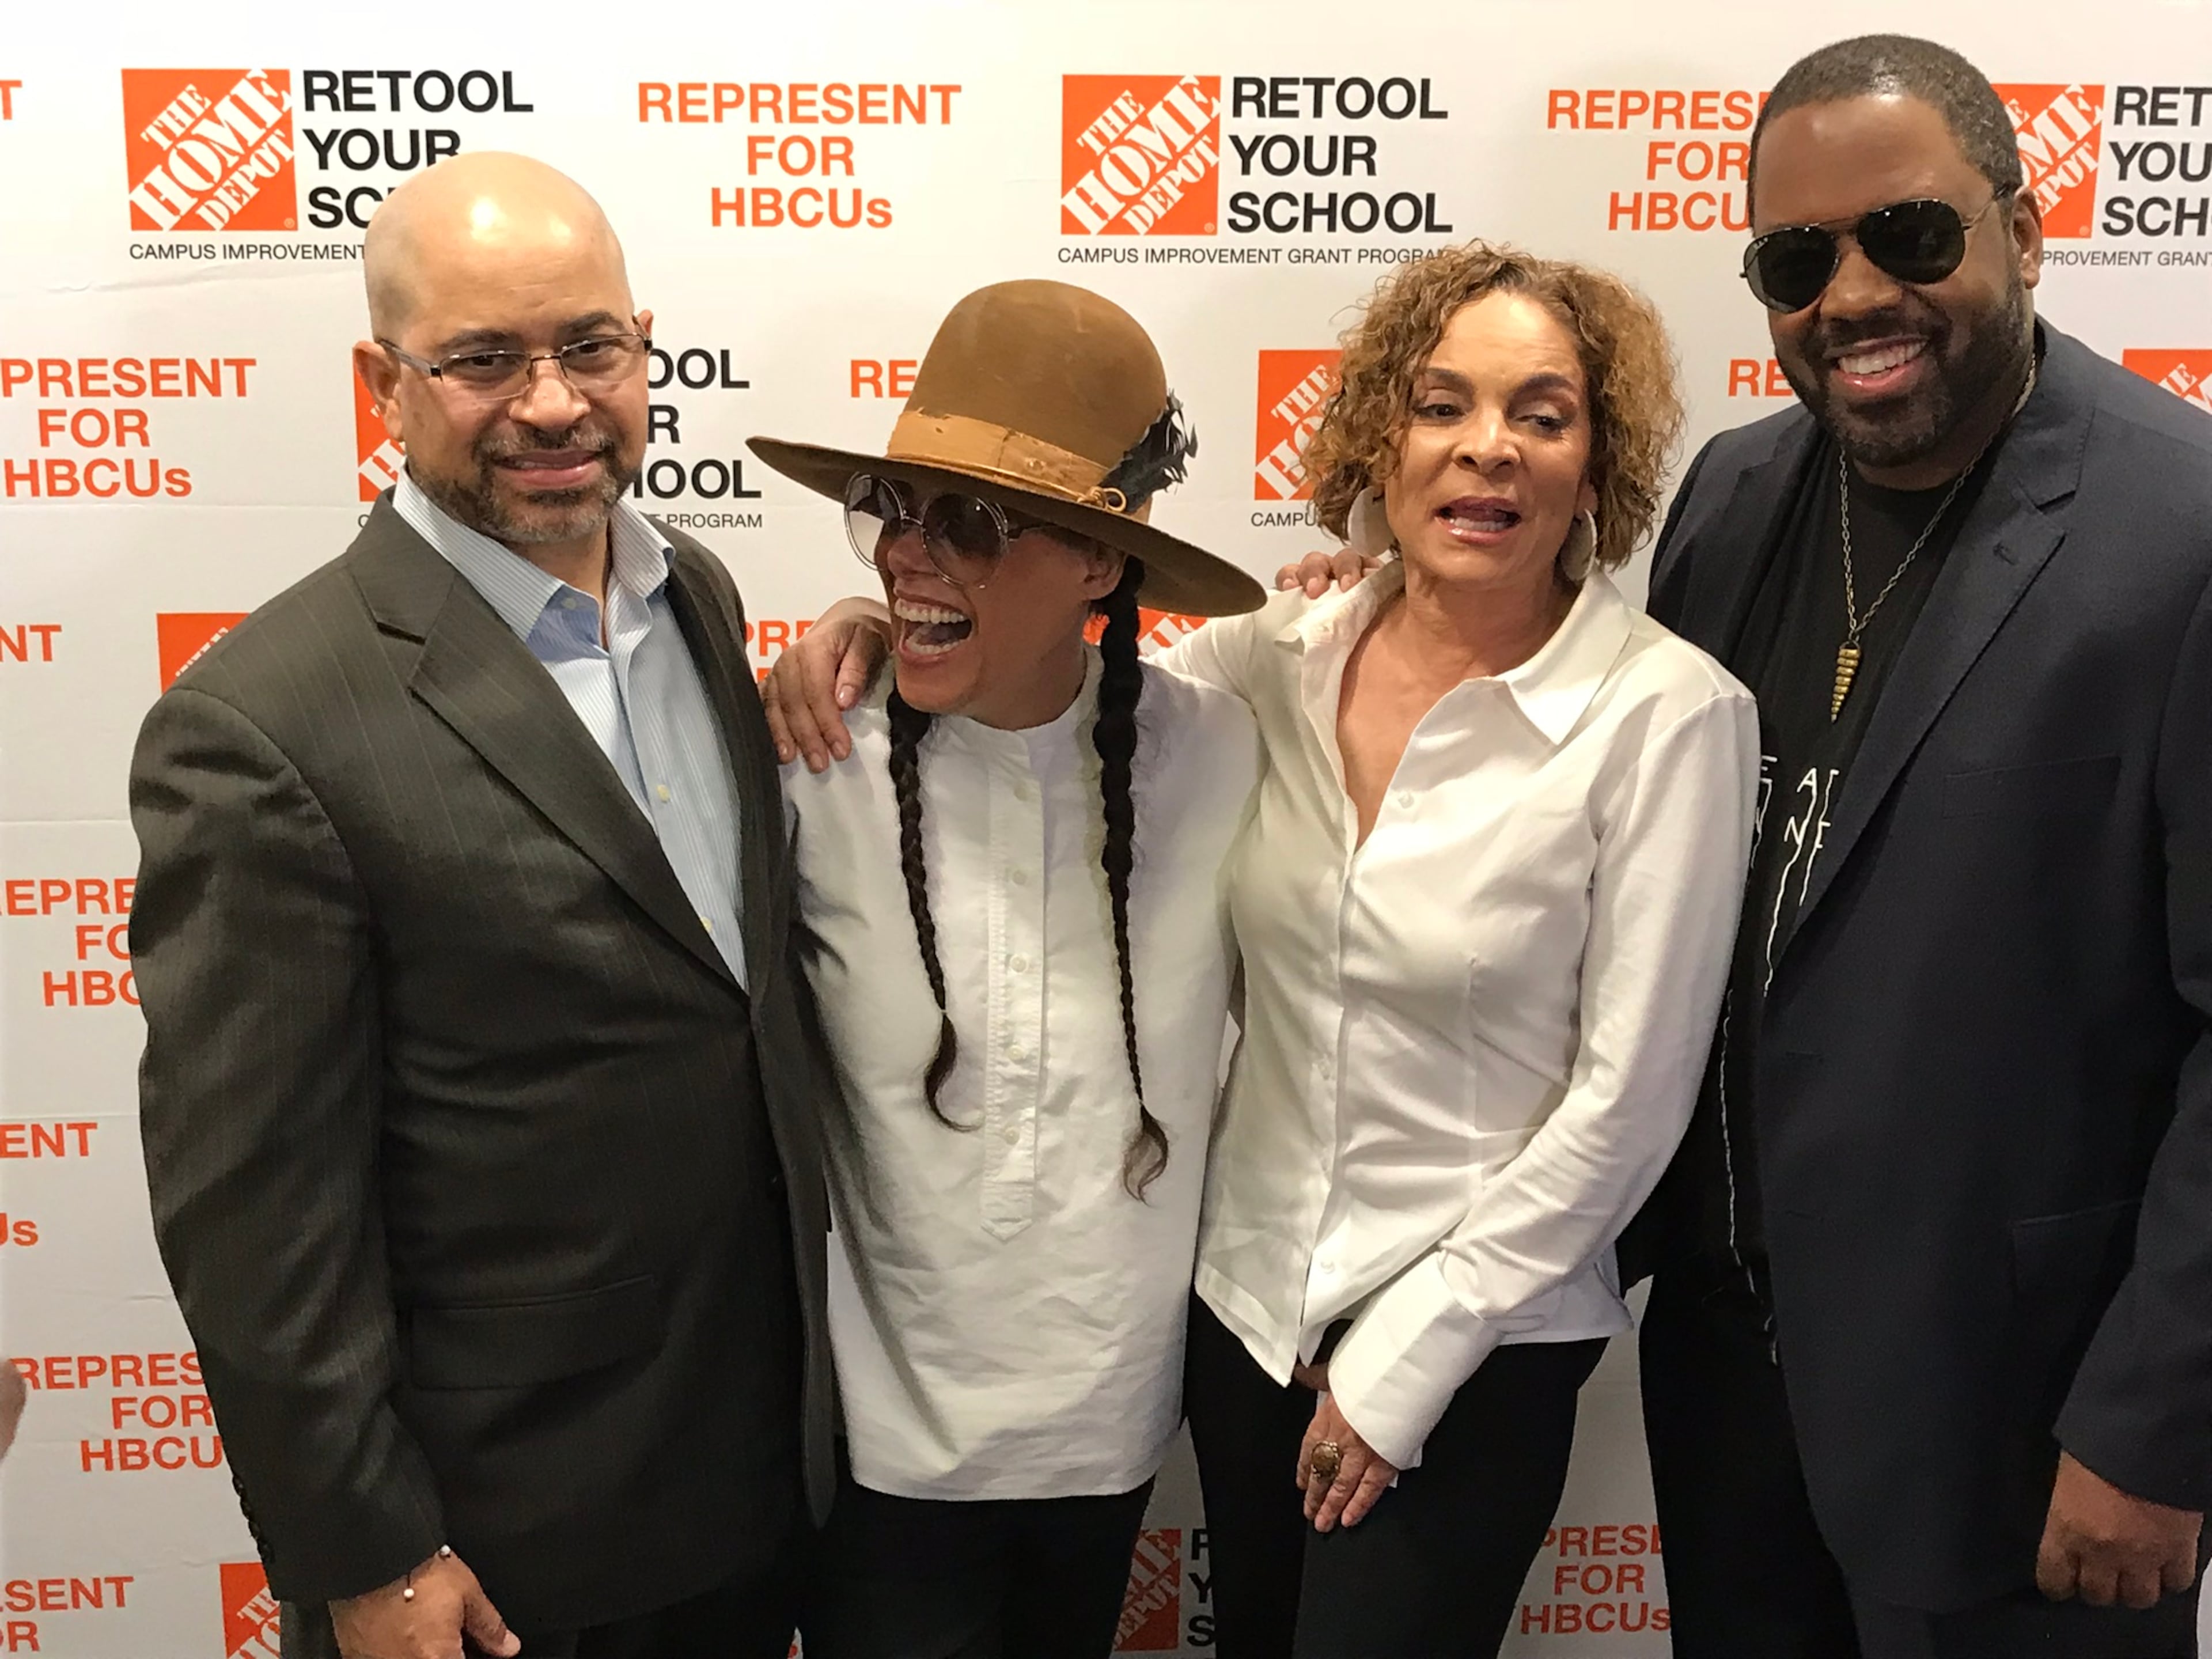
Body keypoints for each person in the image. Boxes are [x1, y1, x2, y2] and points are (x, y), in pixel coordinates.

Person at [1283, 35, 2212, 1659]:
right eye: (1797, 260)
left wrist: (2156, 1422)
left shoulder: (2181, 528)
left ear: (2026, 228)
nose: (1853, 293)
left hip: (2026, 1423)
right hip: (1729, 1399)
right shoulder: (1735, 492)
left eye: (1909, 236)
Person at [768, 242, 1759, 1657]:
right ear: (1381, 441)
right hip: (1244, 1325)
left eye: (1541, 413)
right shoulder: (1272, 666)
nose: (1487, 447)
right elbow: (1049, 698)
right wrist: (875, 624)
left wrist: (1410, 1359)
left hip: (1469, 1349)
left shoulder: (1668, 715)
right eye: (1441, 405)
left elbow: (1633, 1101)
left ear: (1598, 464)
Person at [128, 153, 834, 1659]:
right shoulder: (263, 725)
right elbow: (257, 1225)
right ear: (386, 383)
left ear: (645, 346)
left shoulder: (694, 598)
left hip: (758, 1489)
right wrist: (366, 1550)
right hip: (502, 1554)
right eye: (482, 360)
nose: (555, 402)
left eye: (589, 345)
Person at [748, 279, 1262, 1659]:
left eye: (966, 525)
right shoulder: (810, 758)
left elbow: (1397, 641)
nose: (912, 557)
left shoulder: (1224, 749)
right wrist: (850, 629)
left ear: (1100, 562)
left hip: (1111, 1426)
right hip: (881, 1444)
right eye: (891, 513)